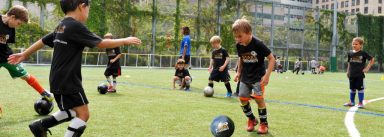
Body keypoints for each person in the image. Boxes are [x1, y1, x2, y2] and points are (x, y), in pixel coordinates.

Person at [7, 0, 142, 136]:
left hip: (57, 78)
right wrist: (125, 40)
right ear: (82, 6)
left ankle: (40, 125)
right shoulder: (76, 26)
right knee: (83, 114)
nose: (88, 12)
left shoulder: (61, 25)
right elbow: (102, 43)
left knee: (71, 111)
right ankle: (41, 126)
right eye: (88, 8)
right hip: (68, 79)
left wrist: (24, 54)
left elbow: (42, 41)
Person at [0, 5, 53, 102]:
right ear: (12, 17)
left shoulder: (11, 30)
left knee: (25, 75)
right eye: (19, 23)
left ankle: (44, 93)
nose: (18, 26)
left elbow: (4, 43)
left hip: (7, 57)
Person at [232, 17, 275, 134]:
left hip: (258, 77)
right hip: (245, 77)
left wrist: (267, 76)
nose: (237, 39)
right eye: (235, 36)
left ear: (249, 33)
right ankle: (251, 119)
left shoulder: (258, 44)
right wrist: (238, 72)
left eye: (240, 36)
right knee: (242, 98)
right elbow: (241, 59)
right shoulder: (239, 45)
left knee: (259, 100)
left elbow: (272, 59)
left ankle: (264, 124)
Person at [344, 37, 374, 108]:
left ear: (360, 45)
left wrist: (367, 68)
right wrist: (348, 71)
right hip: (352, 74)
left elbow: (372, 59)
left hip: (360, 75)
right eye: (353, 44)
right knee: (352, 88)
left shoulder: (363, 53)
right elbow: (349, 63)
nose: (354, 45)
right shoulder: (350, 53)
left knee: (360, 89)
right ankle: (352, 102)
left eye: (356, 44)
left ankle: (361, 103)